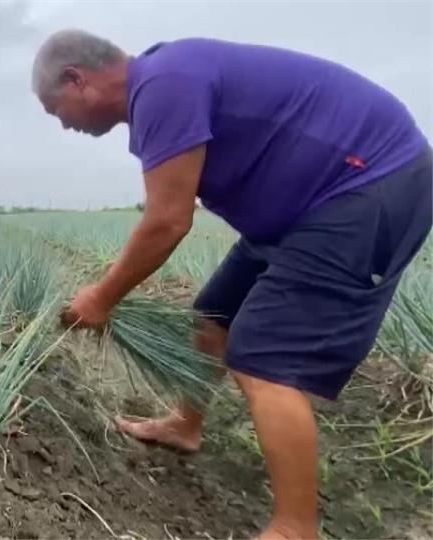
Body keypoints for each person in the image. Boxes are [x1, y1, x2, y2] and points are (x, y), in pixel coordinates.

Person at [31, 30, 430, 540]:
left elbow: (168, 221)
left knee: (263, 358)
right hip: (301, 208)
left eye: (54, 110)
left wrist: (101, 298)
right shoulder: (162, 82)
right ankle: (186, 425)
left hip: (367, 184)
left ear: (76, 79)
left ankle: (294, 529)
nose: (63, 125)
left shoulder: (163, 84)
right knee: (213, 318)